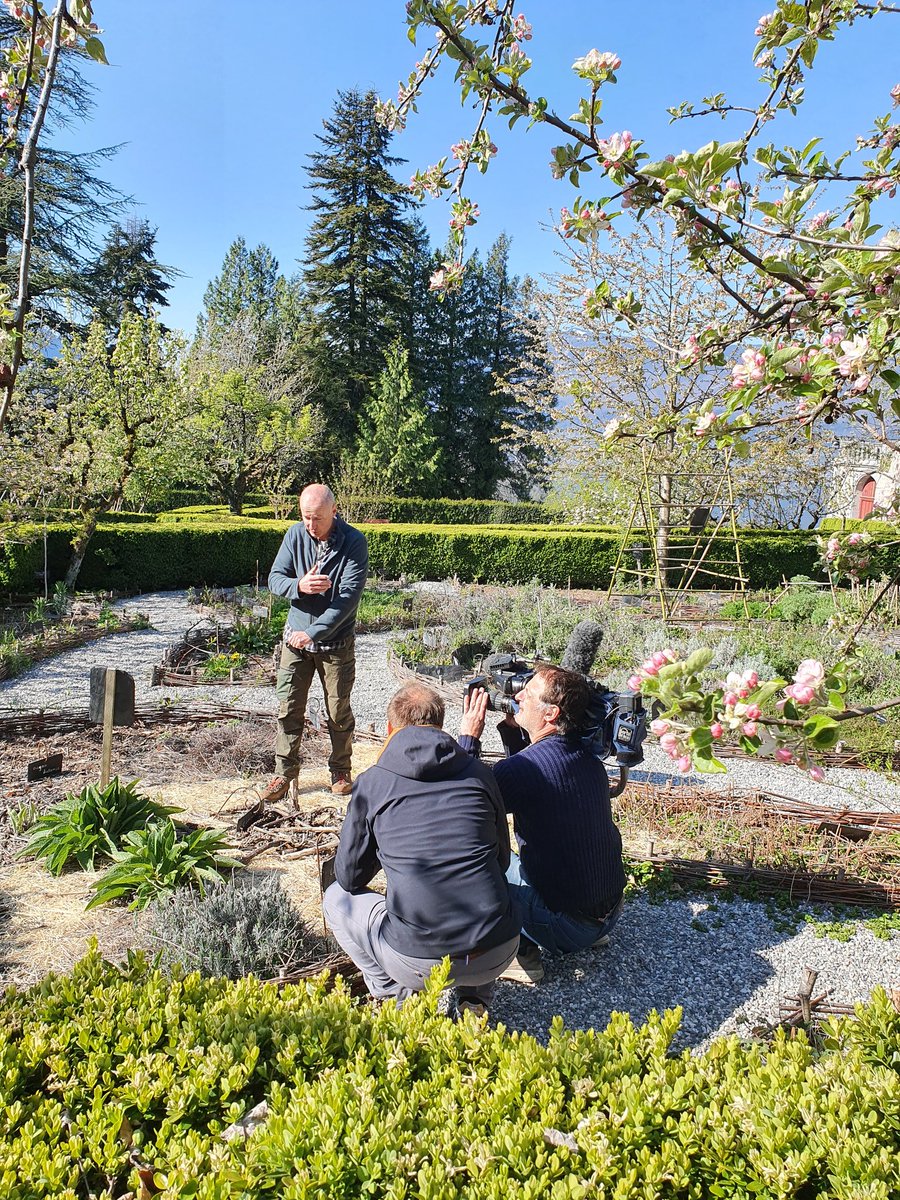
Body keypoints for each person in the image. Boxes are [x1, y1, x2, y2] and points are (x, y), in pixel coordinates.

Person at [323, 681, 519, 1016]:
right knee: (485, 884)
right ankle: (475, 1000)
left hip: (417, 963)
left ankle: (392, 997)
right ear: (442, 725)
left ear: (390, 728)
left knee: (335, 899)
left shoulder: (373, 782)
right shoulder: (479, 774)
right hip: (498, 950)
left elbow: (349, 876)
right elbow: (501, 860)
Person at [459, 664, 625, 984]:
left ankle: (518, 953)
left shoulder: (523, 770)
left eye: (528, 693)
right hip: (608, 915)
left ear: (550, 714)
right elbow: (535, 776)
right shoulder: (588, 758)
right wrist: (513, 730)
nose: (518, 695)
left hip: (566, 930)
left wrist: (469, 739)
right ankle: (584, 932)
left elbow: (461, 808)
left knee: (476, 862)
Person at [261, 483, 368, 802]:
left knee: (338, 711)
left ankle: (340, 770)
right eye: (306, 517)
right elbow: (274, 579)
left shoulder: (354, 542)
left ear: (334, 511)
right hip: (295, 641)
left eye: (317, 518)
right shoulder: (294, 535)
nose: (310, 525)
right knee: (289, 708)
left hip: (335, 644)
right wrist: (300, 585)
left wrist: (314, 632)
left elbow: (347, 599)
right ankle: (283, 773)